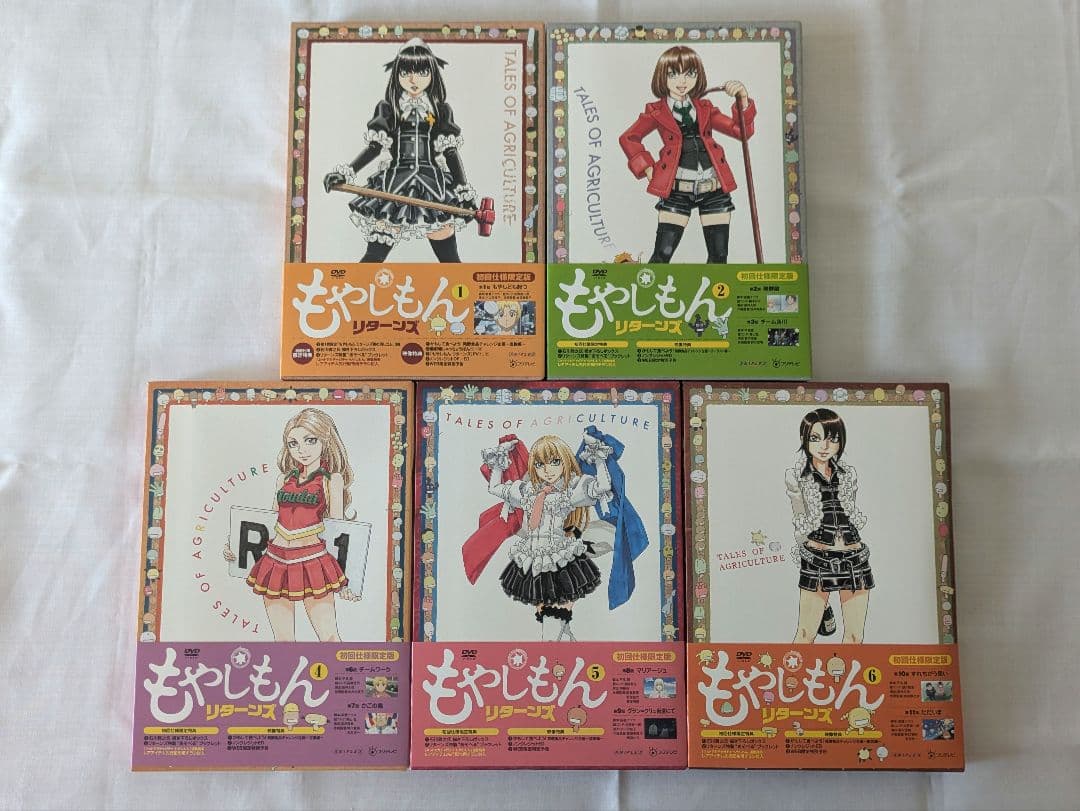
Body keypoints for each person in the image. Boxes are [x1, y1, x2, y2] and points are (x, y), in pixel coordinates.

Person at [462, 428, 648, 641]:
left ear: (565, 462)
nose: (547, 470)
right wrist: (499, 458)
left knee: (561, 600)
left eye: (554, 462)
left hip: (559, 553)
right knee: (542, 603)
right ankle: (556, 636)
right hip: (532, 554)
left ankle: (558, 634)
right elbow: (494, 488)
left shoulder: (569, 491)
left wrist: (598, 458)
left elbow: (603, 486)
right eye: (540, 464)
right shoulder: (527, 490)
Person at [323, 38, 478, 262]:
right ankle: (355, 284)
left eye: (422, 72)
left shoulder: (440, 110)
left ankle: (461, 287)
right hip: (394, 185)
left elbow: (450, 152)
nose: (413, 80)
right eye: (405, 73)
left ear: (433, 74)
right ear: (396, 74)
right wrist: (346, 172)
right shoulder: (388, 108)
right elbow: (375, 148)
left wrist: (463, 190)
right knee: (375, 254)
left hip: (433, 187)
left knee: (449, 258)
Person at [224, 408, 359, 641]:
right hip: (274, 561)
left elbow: (338, 530)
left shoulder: (331, 480)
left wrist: (350, 582)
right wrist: (236, 547)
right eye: (293, 443)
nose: (301, 450)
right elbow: (268, 523)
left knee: (329, 638)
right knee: (283, 642)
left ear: (325, 440)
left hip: (312, 561)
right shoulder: (283, 479)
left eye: (310, 440)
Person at [618, 45, 756, 264]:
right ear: (662, 77)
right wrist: (647, 168)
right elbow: (629, 138)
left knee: (719, 257)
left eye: (690, 73)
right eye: (673, 74)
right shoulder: (656, 111)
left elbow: (741, 132)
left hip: (714, 189)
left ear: (698, 76)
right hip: (676, 191)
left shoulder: (706, 108)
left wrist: (743, 100)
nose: (682, 81)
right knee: (662, 255)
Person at [785, 408, 873, 644]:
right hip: (817, 560)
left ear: (840, 441)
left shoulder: (848, 474)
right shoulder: (796, 476)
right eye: (815, 438)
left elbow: (850, 511)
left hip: (855, 560)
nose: (824, 446)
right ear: (804, 439)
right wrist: (803, 553)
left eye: (832, 439)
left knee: (855, 637)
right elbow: (799, 518)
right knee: (805, 635)